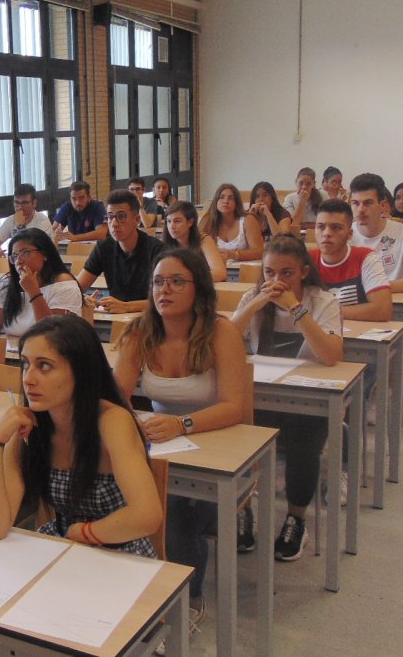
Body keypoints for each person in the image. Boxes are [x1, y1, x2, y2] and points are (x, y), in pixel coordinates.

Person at [113, 248, 248, 621]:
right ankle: (138, 593)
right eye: (157, 282)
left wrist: (181, 424)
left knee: (175, 518)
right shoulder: (141, 331)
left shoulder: (221, 332)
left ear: (197, 289)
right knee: (125, 503)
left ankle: (189, 603)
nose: (164, 290)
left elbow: (235, 406)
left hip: (217, 445)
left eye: (176, 282)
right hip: (161, 443)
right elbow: (115, 397)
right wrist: (134, 423)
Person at [0, 314, 162, 559]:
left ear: (80, 372)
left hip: (119, 553)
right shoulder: (30, 424)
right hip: (67, 549)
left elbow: (147, 516)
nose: (28, 378)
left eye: (44, 366)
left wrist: (84, 533)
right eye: (25, 364)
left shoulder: (112, 421)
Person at [231, 234, 343, 561]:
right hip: (261, 395)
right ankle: (243, 508)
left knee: (303, 441)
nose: (276, 281)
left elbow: (330, 355)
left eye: (287, 273)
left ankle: (296, 518)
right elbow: (219, 341)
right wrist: (255, 304)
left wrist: (295, 308)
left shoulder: (323, 302)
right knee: (236, 430)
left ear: (304, 272)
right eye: (269, 273)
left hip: (306, 401)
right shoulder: (254, 298)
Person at [76, 190, 166, 314]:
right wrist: (83, 298)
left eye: (121, 216)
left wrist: (127, 306)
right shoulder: (104, 247)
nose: (114, 224)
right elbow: (77, 288)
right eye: (110, 217)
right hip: (116, 319)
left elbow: (165, 298)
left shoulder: (157, 250)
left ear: (136, 219)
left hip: (151, 319)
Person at [0, 230, 82, 337]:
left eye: (25, 253)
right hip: (13, 350)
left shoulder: (64, 284)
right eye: (14, 256)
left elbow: (52, 334)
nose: (19, 261)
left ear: (45, 254)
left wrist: (33, 292)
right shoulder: (8, 281)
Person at [310, 199, 392, 321]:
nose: (326, 233)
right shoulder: (306, 260)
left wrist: (324, 313)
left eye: (336, 227)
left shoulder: (366, 258)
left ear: (350, 234)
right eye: (321, 227)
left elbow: (383, 310)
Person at [348, 174, 403, 293]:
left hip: (394, 302)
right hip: (354, 304)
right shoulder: (343, 234)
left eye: (368, 203)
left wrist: (375, 289)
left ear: (382, 205)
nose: (360, 209)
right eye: (355, 203)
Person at [162, 201, 226, 282]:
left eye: (177, 221)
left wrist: (187, 279)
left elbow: (220, 273)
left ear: (190, 222)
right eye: (169, 221)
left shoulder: (204, 240)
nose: (171, 226)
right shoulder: (164, 244)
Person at [199, 183, 264, 262]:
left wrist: (234, 254)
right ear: (216, 201)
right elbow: (196, 249)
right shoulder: (207, 221)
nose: (226, 201)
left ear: (237, 203)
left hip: (242, 270)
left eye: (231, 198)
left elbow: (259, 252)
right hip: (215, 269)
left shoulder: (248, 220)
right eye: (221, 197)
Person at [0, 183, 54, 249]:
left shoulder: (42, 221)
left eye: (24, 203)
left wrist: (21, 227)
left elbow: (37, 250)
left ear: (34, 203)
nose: (19, 207)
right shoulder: (11, 220)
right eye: (16, 203)